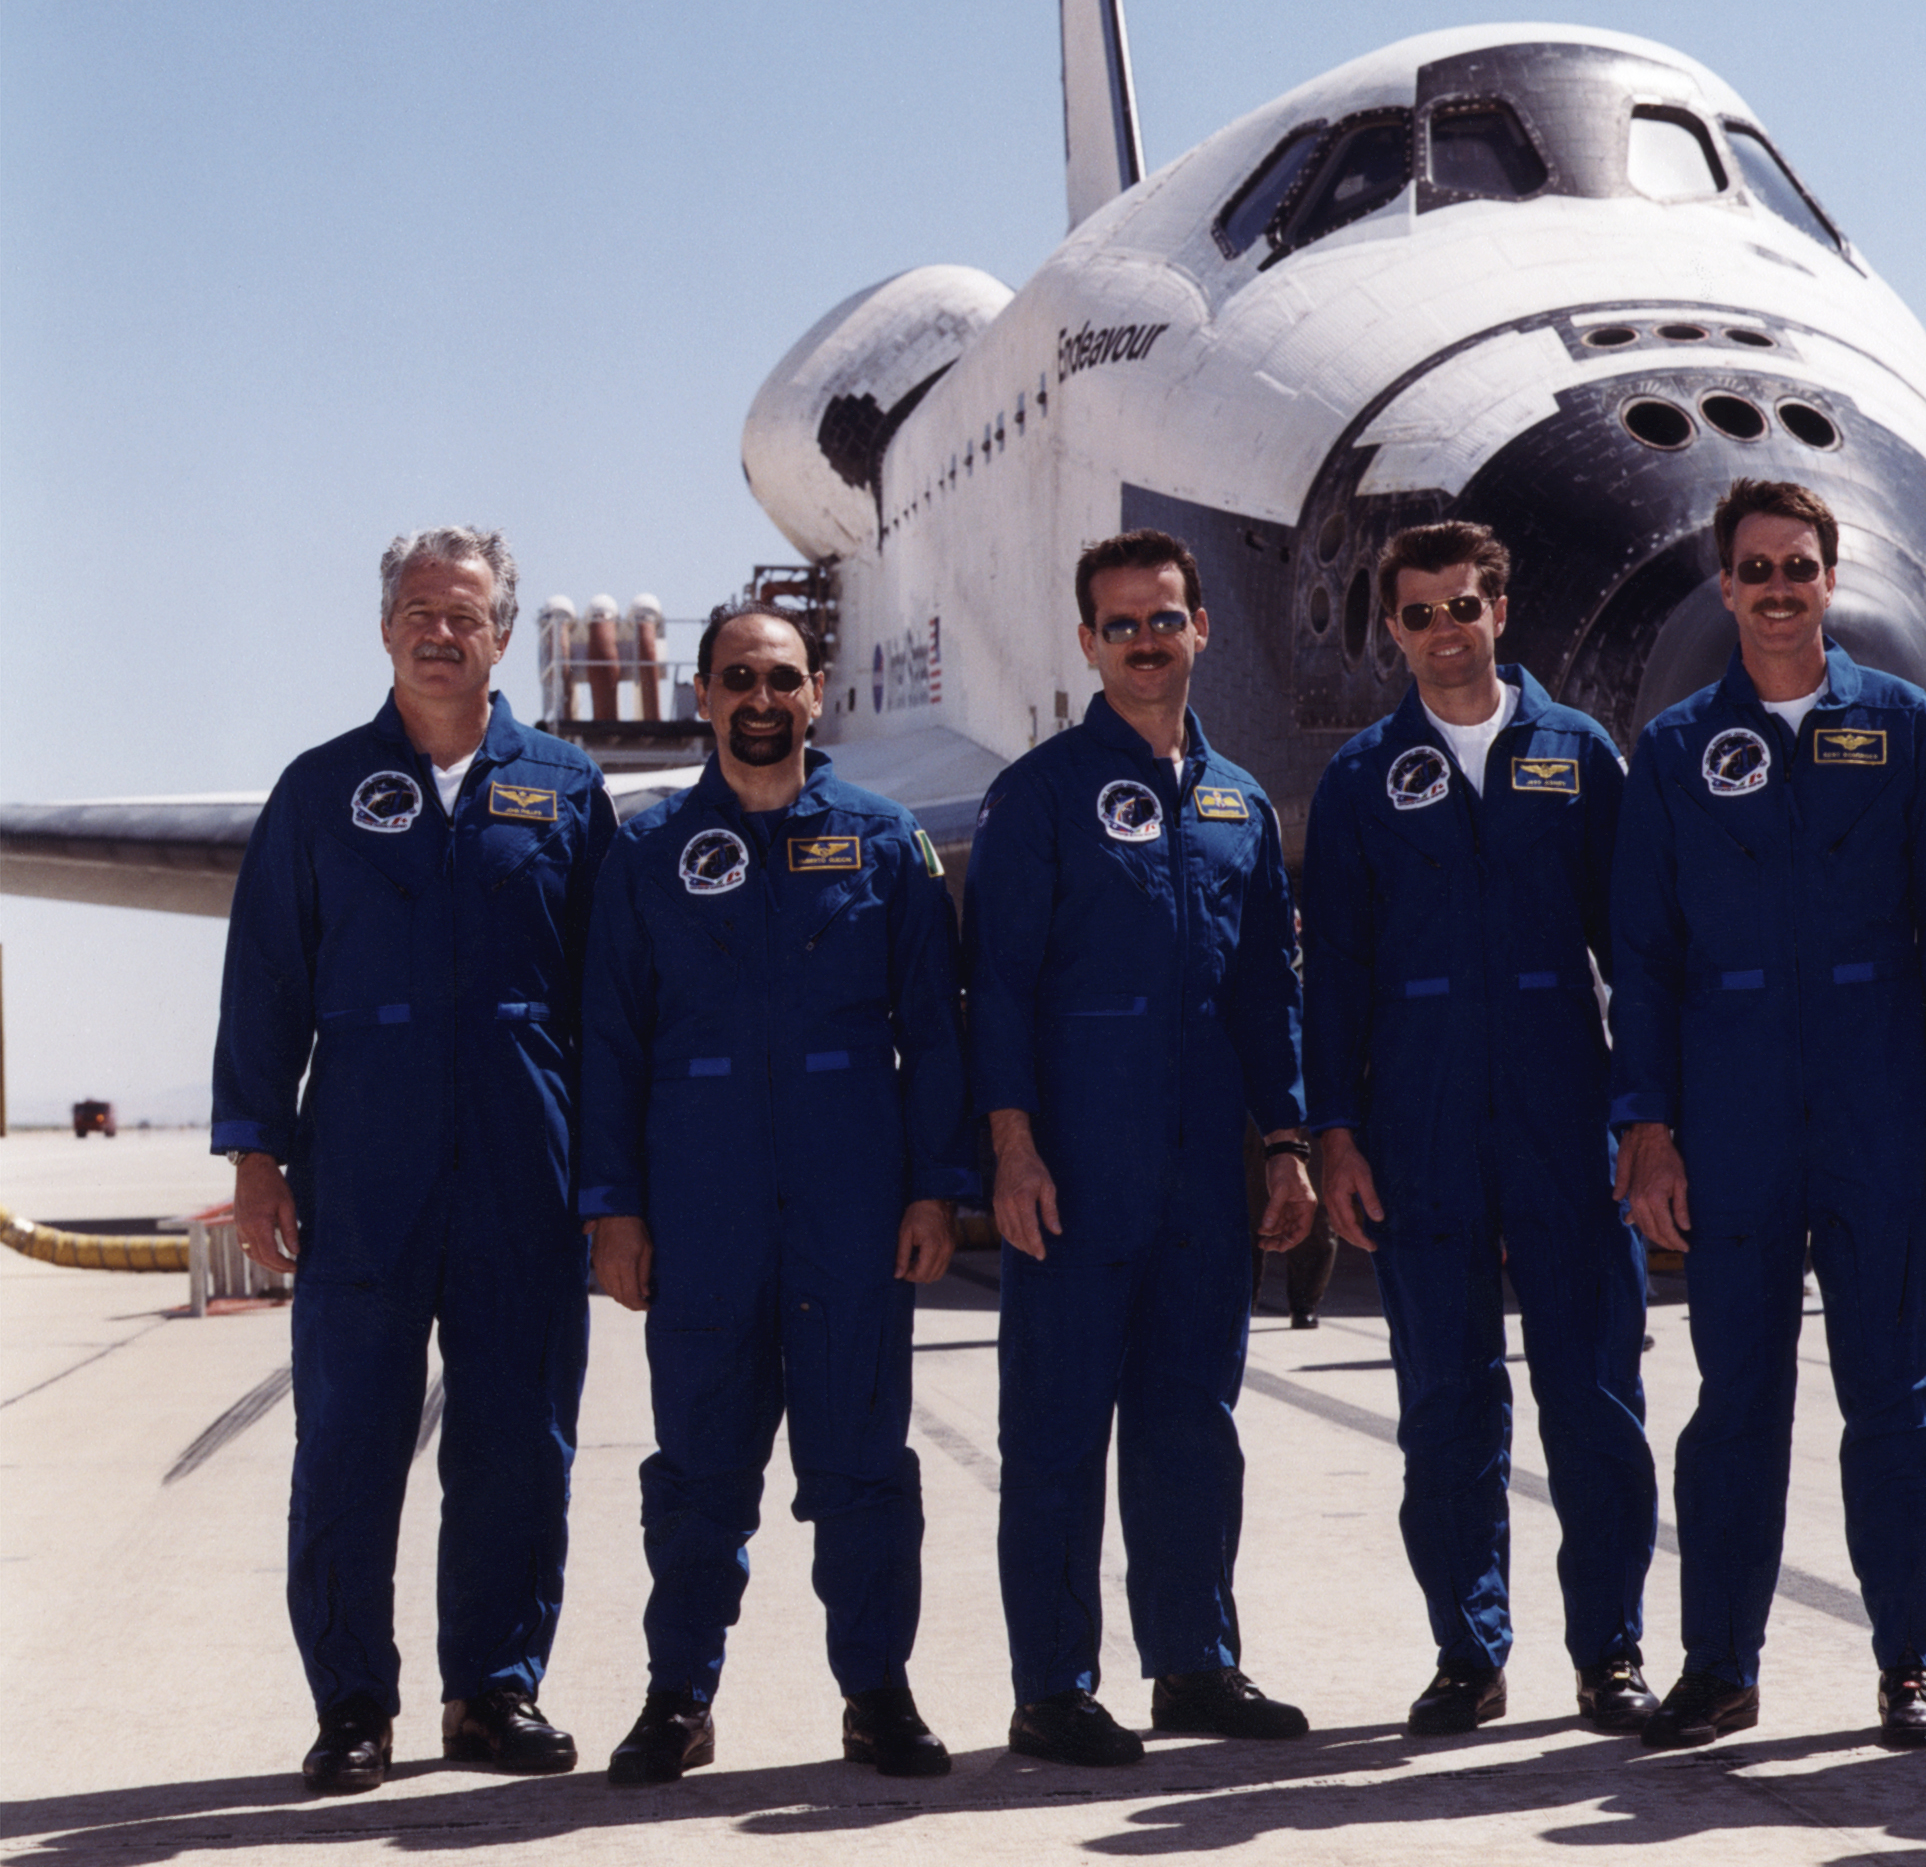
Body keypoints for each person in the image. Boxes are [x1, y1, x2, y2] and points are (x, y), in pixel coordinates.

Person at [212, 527, 612, 1793]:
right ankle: (352, 1705)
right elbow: (265, 985)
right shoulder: (320, 791)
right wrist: (258, 1158)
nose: (444, 632)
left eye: (470, 613)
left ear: (506, 633)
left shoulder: (566, 789)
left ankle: (494, 1692)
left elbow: (613, 1002)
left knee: (518, 1439)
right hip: (367, 1168)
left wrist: (613, 1190)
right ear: (386, 629)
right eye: (421, 612)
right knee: (346, 1440)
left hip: (523, 1162)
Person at [1607, 479, 1926, 1751]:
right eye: (1757, 569)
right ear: (1725, 589)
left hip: (1882, 1119)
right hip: (1732, 1129)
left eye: (1800, 567)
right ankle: (1720, 1663)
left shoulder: (1906, 731)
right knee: (1737, 1407)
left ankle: (1910, 1665)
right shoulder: (1671, 753)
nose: (1779, 589)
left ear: (1831, 581)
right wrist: (1649, 1128)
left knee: (1897, 1403)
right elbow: (1646, 960)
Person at [577, 600, 968, 1784]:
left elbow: (934, 1038)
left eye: (783, 680)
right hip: (702, 1215)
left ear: (816, 693)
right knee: (698, 1472)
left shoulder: (886, 842)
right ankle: (678, 1698)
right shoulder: (645, 856)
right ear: (701, 694)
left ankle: (876, 1695)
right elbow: (608, 1042)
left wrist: (932, 1191)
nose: (762, 701)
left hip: (852, 1209)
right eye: (739, 678)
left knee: (861, 1465)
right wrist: (615, 1209)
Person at [1303, 519, 1660, 1737]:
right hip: (1421, 1125)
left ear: (1501, 611)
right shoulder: (1360, 780)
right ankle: (1469, 1648)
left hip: (1566, 1116)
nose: (1445, 632)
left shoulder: (1580, 754)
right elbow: (1333, 979)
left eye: (1464, 606)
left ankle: (1610, 1652)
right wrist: (1335, 1135)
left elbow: (1642, 954)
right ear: (1391, 631)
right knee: (1446, 1405)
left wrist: (1646, 1115)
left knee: (1595, 1397)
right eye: (1418, 614)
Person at [966, 527, 1316, 1768]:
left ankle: (1195, 1664)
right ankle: (1052, 1686)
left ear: (1201, 628)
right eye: (1120, 625)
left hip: (1200, 1177)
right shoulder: (1043, 793)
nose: (1146, 640)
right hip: (1074, 1166)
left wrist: (1286, 1140)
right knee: (1057, 1429)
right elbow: (997, 988)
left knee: (1191, 1425)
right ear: (1087, 644)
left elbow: (1268, 987)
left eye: (1165, 617)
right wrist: (1012, 1151)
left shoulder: (1235, 806)